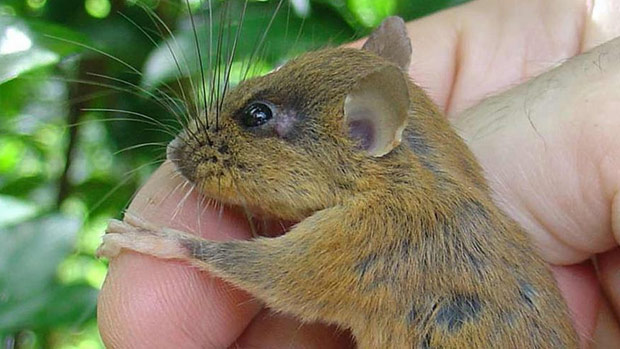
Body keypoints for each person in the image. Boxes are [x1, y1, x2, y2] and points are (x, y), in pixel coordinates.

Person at [97, 0, 620, 347]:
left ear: (365, 133)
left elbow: (288, 278)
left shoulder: (394, 219)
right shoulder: (434, 213)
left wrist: (178, 245)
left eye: (259, 119)